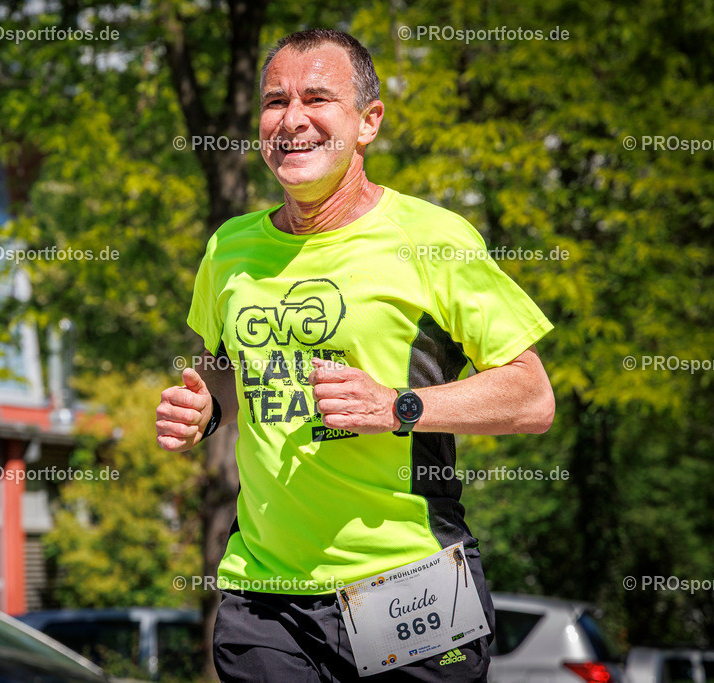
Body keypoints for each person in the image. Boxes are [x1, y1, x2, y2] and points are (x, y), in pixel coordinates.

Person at [155, 28, 555, 682]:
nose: (291, 120)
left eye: (317, 99)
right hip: (266, 594)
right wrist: (205, 408)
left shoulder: (434, 239)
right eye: (274, 101)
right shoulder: (229, 249)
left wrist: (396, 406)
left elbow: (532, 397)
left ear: (368, 123)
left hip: (409, 581)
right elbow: (225, 368)